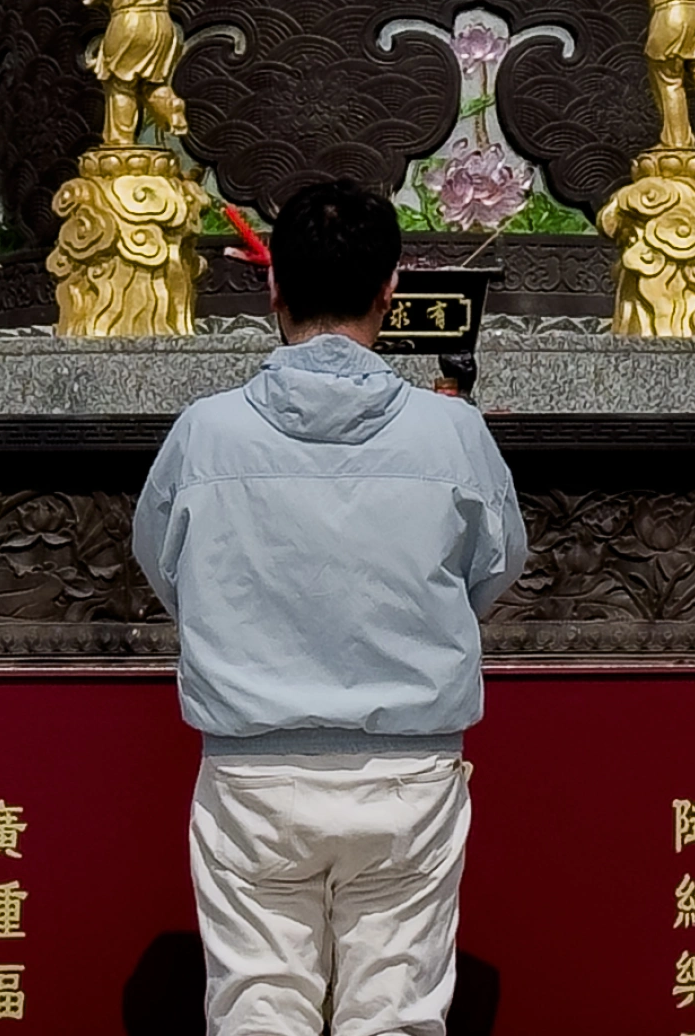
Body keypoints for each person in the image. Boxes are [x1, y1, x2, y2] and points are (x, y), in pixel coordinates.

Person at [132, 181, 526, 1036]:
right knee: (395, 1012)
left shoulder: (205, 432)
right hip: (406, 768)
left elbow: (167, 573)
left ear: (271, 288)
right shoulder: (452, 433)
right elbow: (492, 573)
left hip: (253, 767)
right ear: (392, 289)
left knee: (255, 1007)